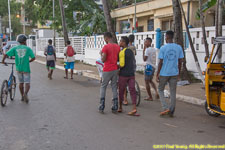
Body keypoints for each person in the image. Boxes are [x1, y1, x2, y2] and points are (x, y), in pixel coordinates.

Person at [156, 30, 184, 117]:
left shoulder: (163, 48)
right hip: (174, 72)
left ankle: (165, 108)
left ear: (167, 37)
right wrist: (178, 72)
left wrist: (157, 74)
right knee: (173, 92)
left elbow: (161, 62)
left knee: (160, 89)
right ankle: (171, 110)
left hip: (164, 72)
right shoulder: (178, 47)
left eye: (165, 37)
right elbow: (180, 62)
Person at [2, 34, 35, 103]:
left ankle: (22, 96)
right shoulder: (28, 48)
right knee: (27, 83)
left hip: (19, 69)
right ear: (25, 41)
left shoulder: (15, 48)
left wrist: (3, 61)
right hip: (26, 69)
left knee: (21, 83)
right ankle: (25, 93)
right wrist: (28, 61)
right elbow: (33, 58)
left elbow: (6, 54)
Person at [99, 32, 120, 113]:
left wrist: (101, 54)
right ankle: (115, 105)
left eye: (104, 38)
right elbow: (117, 58)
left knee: (103, 86)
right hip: (115, 69)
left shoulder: (106, 47)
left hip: (107, 69)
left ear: (106, 38)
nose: (104, 40)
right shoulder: (117, 46)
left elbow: (103, 60)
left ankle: (102, 105)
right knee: (114, 86)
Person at [118, 36, 137, 115]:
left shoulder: (122, 52)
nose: (119, 42)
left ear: (124, 43)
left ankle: (120, 107)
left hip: (123, 74)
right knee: (132, 90)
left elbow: (122, 64)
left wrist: (117, 68)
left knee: (121, 91)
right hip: (131, 74)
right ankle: (134, 108)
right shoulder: (130, 51)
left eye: (121, 41)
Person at [122, 34, 137, 105]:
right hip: (133, 65)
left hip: (126, 67)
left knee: (124, 84)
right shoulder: (133, 47)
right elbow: (135, 54)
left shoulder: (125, 49)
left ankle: (125, 99)